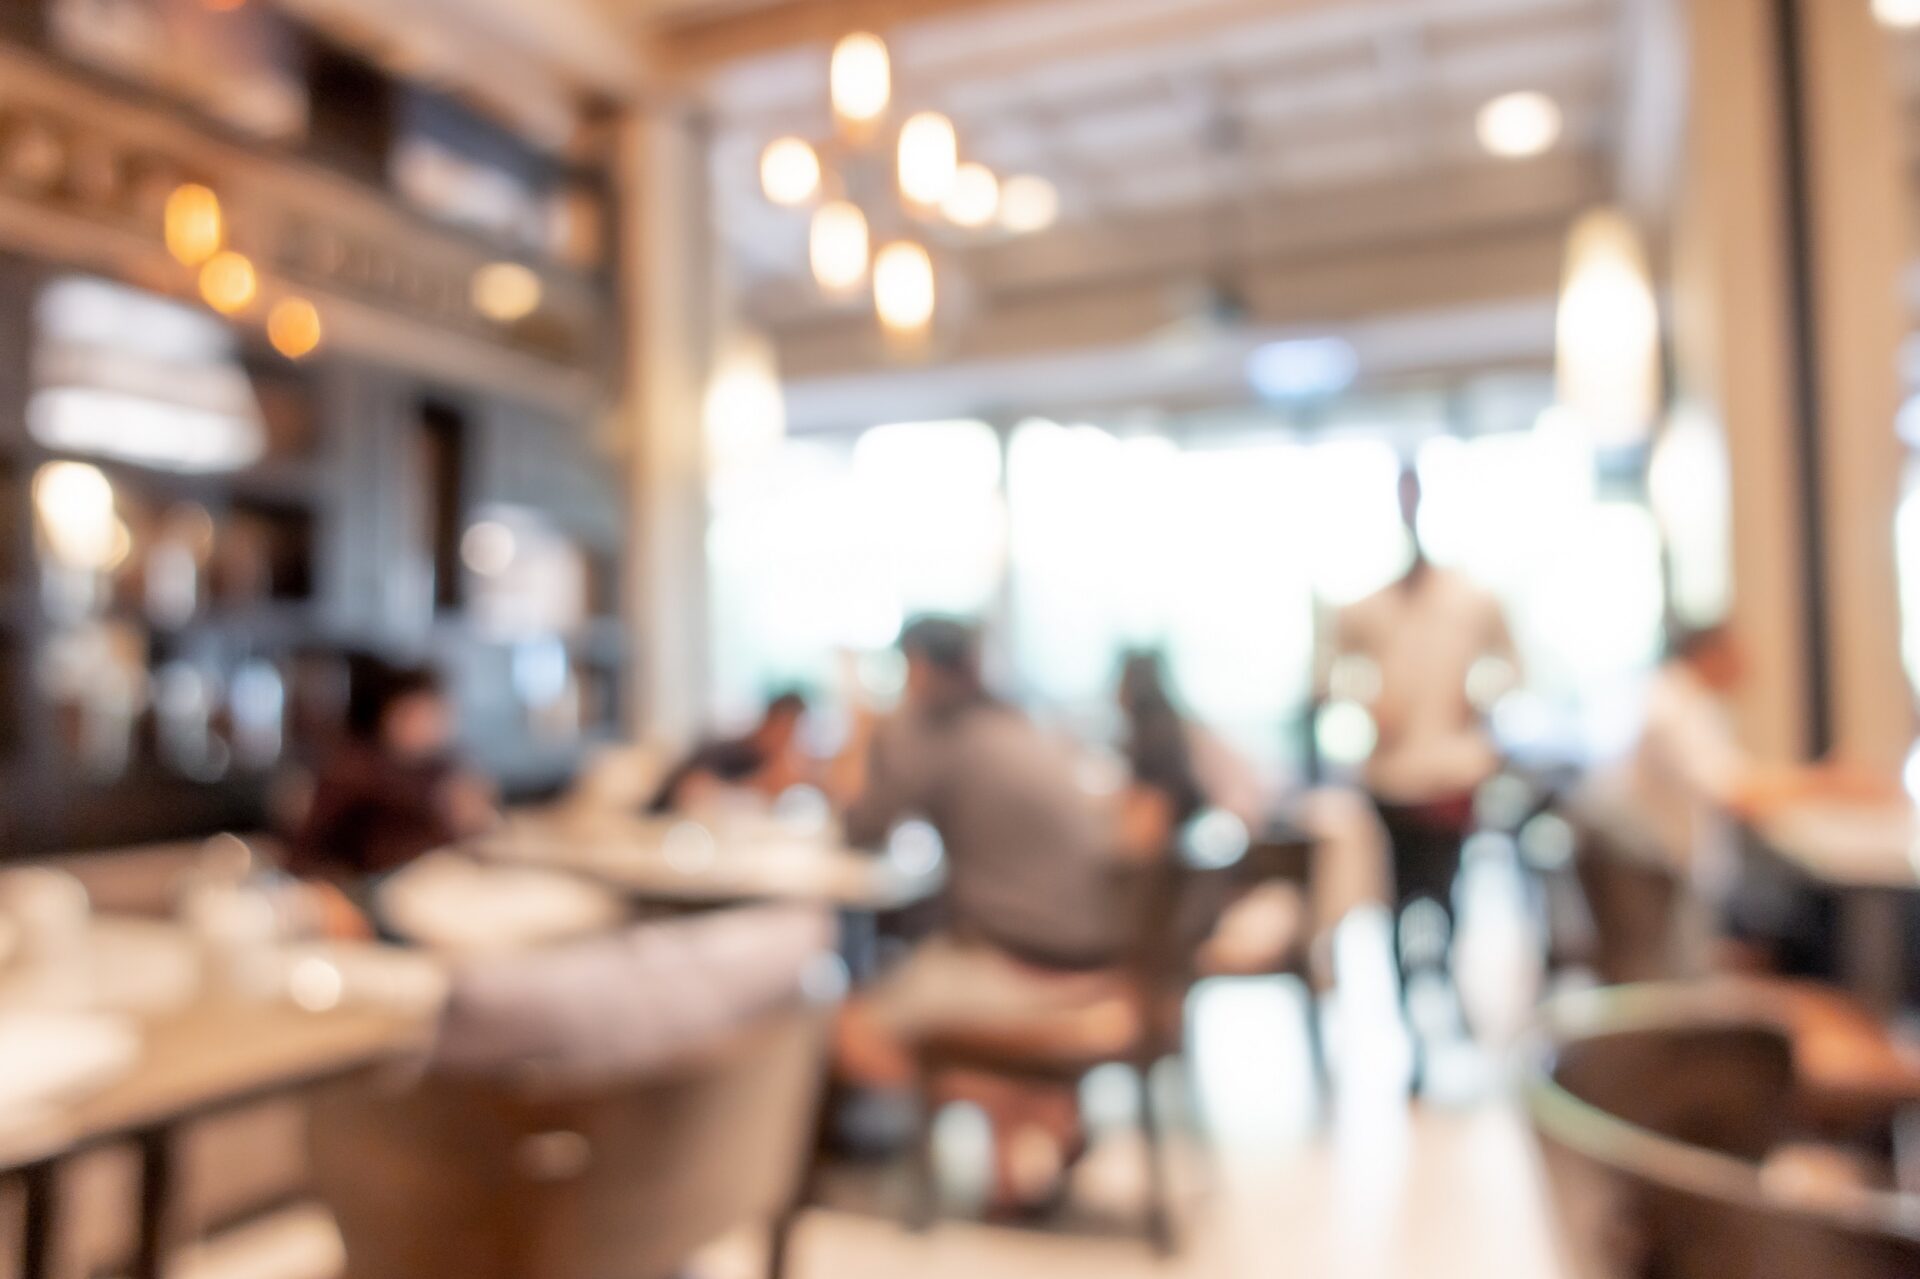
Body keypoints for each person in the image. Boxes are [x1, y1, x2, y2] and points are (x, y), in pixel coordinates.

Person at [834, 617, 1133, 1214]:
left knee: (844, 1032)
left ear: (918, 669)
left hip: (1023, 964)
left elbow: (861, 827)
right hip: (1097, 957)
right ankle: (1036, 1120)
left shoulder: (938, 732)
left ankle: (1034, 1110)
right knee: (931, 975)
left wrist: (866, 730)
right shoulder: (1021, 725)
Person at [1327, 466, 1519, 1088]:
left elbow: (1511, 667)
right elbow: (1330, 673)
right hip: (1391, 778)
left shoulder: (1471, 600)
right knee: (1397, 900)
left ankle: (1448, 993)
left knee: (1448, 893)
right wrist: (1367, 702)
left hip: (1453, 776)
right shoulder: (1366, 608)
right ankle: (1410, 1015)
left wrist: (1476, 697)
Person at [288, 656, 497, 935]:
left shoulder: (444, 769)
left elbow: (473, 836)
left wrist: (473, 817)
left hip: (449, 893)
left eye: (436, 712)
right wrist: (329, 895)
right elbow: (304, 855)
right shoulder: (352, 772)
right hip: (375, 903)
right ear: (388, 712)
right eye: (417, 712)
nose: (431, 723)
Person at [647, 691, 811, 814]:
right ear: (769, 722)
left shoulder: (764, 761)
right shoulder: (728, 752)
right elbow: (691, 791)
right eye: (786, 730)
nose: (788, 740)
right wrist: (760, 785)